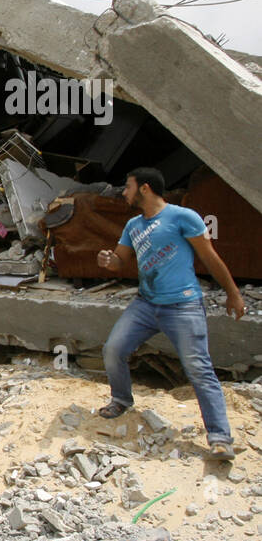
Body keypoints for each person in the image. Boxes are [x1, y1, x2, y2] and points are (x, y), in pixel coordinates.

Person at [97, 167, 246, 461]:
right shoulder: (133, 226)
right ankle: (121, 399)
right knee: (113, 349)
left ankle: (219, 438)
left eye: (127, 187)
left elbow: (209, 257)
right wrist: (107, 260)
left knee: (199, 370)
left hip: (183, 306)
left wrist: (233, 293)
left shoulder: (183, 217)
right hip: (145, 304)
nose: (123, 193)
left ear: (145, 188)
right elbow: (120, 263)